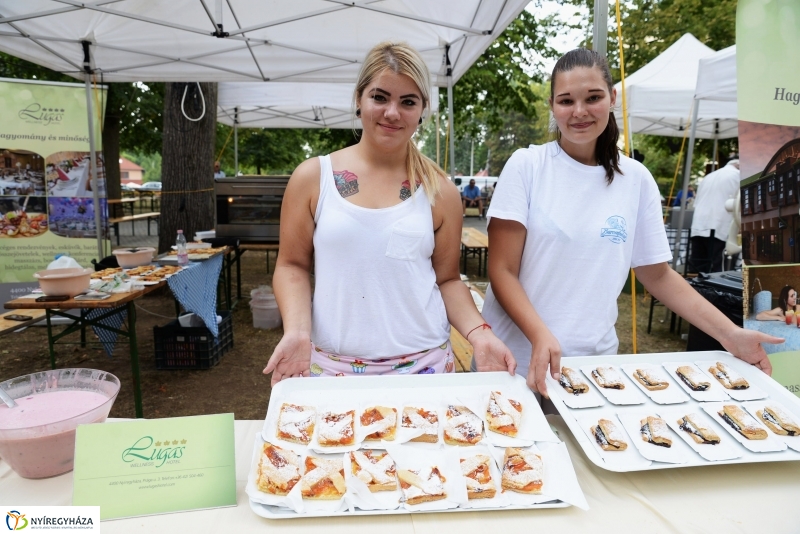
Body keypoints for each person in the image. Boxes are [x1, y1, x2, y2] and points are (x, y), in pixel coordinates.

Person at [482, 48, 783, 396]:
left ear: (612, 98)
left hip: (592, 370)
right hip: (514, 363)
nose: (579, 111)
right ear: (552, 105)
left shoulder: (636, 178)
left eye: (592, 98)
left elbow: (658, 275)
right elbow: (502, 270)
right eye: (566, 101)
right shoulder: (527, 166)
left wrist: (729, 334)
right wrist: (539, 334)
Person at [263, 41, 515, 385]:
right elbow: (292, 265)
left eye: (408, 101)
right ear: (359, 99)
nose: (392, 113)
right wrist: (296, 331)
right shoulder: (313, 178)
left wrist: (480, 333)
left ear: (422, 109)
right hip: (333, 368)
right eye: (380, 97)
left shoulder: (440, 191)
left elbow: (448, 281)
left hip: (425, 367)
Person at [688, 158, 740, 273]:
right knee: (721, 271)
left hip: (699, 226)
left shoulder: (708, 177)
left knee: (697, 270)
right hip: (721, 226)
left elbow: (696, 203)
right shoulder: (738, 175)